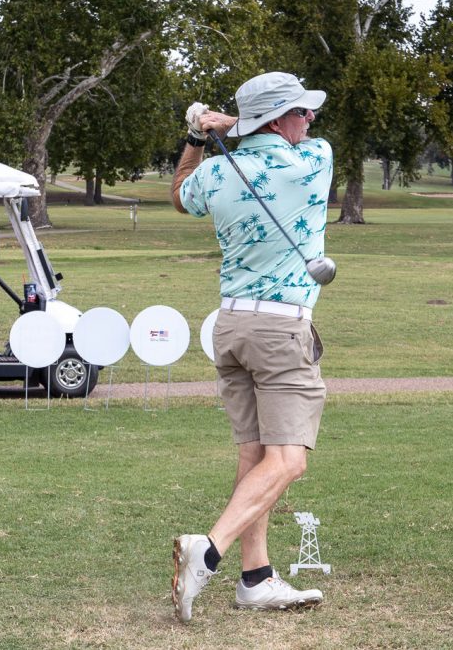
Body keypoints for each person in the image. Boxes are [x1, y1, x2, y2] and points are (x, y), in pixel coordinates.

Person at [170, 72, 333, 622]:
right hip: (281, 332)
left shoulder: (216, 170)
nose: (310, 120)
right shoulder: (311, 162)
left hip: (231, 326)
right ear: (277, 119)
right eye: (301, 112)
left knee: (256, 455)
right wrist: (232, 123)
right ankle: (208, 551)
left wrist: (199, 135)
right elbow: (290, 139)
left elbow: (179, 196)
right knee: (288, 461)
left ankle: (256, 578)